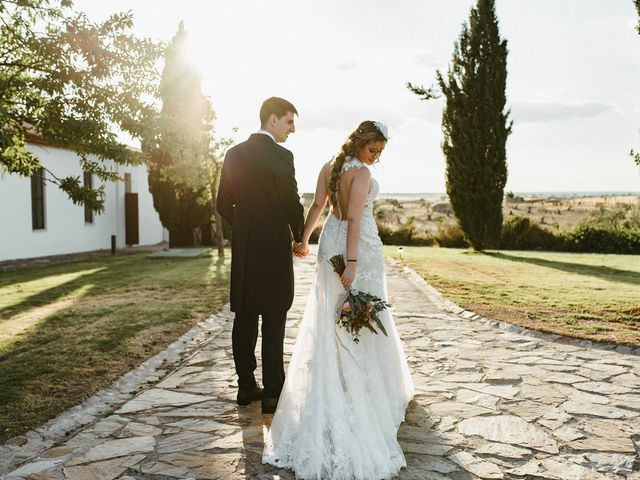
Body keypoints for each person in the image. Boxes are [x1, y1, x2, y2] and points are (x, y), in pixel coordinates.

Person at [263, 120, 414, 479]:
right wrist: (353, 263)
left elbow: (318, 206)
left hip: (328, 242)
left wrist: (303, 239)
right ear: (360, 142)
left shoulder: (329, 167)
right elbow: (356, 221)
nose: (374, 157)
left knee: (335, 317)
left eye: (379, 152)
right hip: (355, 248)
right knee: (357, 314)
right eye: (372, 149)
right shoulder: (359, 174)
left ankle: (342, 381)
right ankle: (360, 389)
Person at [216, 97, 306, 415]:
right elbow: (292, 203)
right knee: (274, 316)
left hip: (244, 246)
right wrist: (300, 237)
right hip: (273, 247)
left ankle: (245, 387)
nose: (292, 129)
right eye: (289, 122)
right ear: (272, 120)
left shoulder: (233, 154)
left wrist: (244, 225)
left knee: (245, 316)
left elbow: (223, 203)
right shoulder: (282, 156)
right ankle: (272, 392)